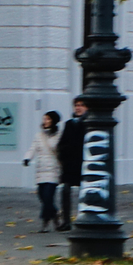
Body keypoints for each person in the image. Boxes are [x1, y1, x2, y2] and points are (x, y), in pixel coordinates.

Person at [26, 111, 64, 230]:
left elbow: (60, 150)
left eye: (47, 119)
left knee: (48, 196)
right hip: (41, 169)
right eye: (44, 119)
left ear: (53, 121)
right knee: (42, 196)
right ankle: (56, 214)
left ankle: (45, 221)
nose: (45, 121)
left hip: (53, 169)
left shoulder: (59, 135)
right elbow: (33, 148)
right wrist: (27, 157)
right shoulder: (39, 135)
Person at [57, 97, 90, 229]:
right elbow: (62, 142)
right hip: (70, 164)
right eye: (76, 105)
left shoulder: (89, 123)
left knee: (86, 192)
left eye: (81, 105)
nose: (78, 107)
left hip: (84, 164)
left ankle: (84, 218)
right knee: (65, 191)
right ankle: (66, 221)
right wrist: (63, 155)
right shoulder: (69, 123)